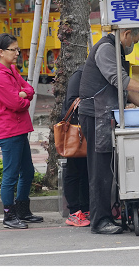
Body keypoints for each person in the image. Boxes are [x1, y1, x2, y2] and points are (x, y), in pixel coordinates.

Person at [79, 28, 139, 235]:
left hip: (105, 115)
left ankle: (107, 216)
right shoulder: (105, 49)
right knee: (100, 169)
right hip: (96, 115)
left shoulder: (116, 50)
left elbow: (127, 93)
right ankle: (100, 221)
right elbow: (120, 81)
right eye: (135, 40)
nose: (134, 45)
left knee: (108, 169)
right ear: (126, 33)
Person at [0, 33, 43, 229]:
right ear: (0, 52)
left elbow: (30, 89)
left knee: (27, 171)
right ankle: (9, 215)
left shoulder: (11, 70)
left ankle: (23, 210)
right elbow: (17, 103)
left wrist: (24, 93)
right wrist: (24, 96)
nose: (17, 53)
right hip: (8, 130)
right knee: (11, 174)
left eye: (17, 49)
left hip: (19, 127)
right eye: (13, 50)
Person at [59, 64, 90, 227]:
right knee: (74, 168)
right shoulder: (80, 74)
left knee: (85, 169)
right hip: (75, 130)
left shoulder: (91, 73)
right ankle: (73, 212)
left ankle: (85, 209)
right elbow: (72, 101)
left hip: (86, 129)